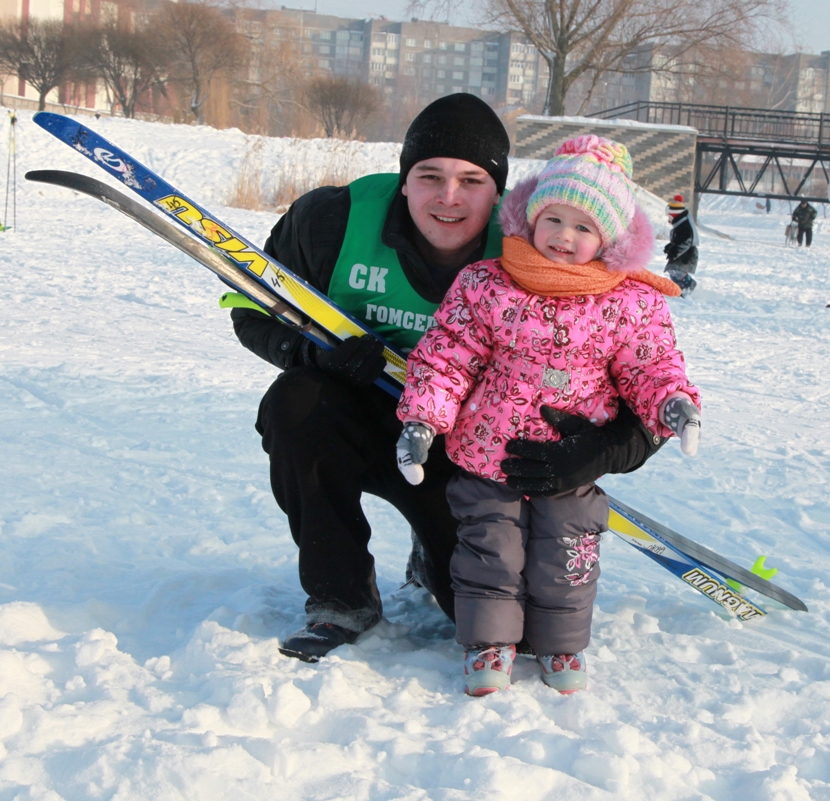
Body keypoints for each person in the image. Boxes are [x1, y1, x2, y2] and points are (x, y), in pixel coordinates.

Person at [230, 95, 667, 663]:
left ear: (500, 191)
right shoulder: (333, 220)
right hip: (358, 417)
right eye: (429, 176)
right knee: (296, 403)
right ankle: (341, 597)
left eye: (472, 180)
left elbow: (651, 378)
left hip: (469, 457)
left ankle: (431, 553)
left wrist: (600, 452)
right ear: (404, 179)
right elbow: (252, 309)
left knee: (512, 632)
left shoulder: (546, 240)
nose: (449, 197)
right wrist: (310, 355)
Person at [395, 136, 701, 696]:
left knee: (569, 553)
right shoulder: (487, 284)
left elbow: (650, 364)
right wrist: (423, 420)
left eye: (583, 227)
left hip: (573, 461)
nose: (563, 235)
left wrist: (673, 403)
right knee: (490, 550)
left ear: (609, 239)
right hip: (489, 455)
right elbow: (447, 356)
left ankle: (561, 646)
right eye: (553, 218)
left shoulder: (630, 301)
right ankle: (489, 644)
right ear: (531, 217)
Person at [664, 194, 699, 297]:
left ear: (675, 215)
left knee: (676, 270)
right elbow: (678, 240)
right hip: (682, 254)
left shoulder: (685, 226)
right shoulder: (680, 225)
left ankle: (688, 286)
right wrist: (670, 246)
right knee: (673, 270)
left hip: (687, 255)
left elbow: (686, 241)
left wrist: (675, 251)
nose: (668, 220)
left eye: (669, 217)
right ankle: (679, 290)